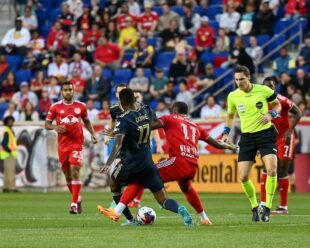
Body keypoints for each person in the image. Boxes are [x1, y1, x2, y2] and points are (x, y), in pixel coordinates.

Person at [123, 101, 237, 225]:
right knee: (186, 188)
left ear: (174, 111)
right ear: (186, 112)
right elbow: (217, 143)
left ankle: (118, 211)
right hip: (193, 165)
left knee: (144, 175)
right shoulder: (196, 126)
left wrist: (130, 125)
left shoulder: (170, 118)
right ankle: (204, 218)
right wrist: (230, 146)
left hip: (178, 161)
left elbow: (149, 126)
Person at [97, 89, 193, 226]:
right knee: (163, 199)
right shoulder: (146, 110)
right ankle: (180, 209)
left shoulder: (123, 119)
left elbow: (118, 143)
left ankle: (129, 219)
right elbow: (154, 123)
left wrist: (108, 162)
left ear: (122, 102)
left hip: (131, 163)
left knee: (113, 183)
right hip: (148, 163)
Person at [222, 65, 282, 222]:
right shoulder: (233, 96)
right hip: (247, 137)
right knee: (242, 176)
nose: (239, 82)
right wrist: (226, 133)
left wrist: (272, 114)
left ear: (249, 77)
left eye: (242, 79)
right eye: (236, 79)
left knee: (272, 170)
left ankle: (267, 207)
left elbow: (277, 104)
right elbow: (229, 115)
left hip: (265, 134)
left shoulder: (263, 90)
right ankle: (255, 207)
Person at [45, 81, 98, 214]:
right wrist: (55, 127)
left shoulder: (81, 106)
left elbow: (86, 121)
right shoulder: (55, 107)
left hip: (77, 144)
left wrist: (92, 134)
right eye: (66, 90)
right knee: (67, 175)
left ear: (73, 91)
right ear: (62, 92)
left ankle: (73, 204)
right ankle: (78, 198)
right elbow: (47, 124)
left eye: (70, 89)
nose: (68, 92)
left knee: (75, 170)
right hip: (62, 146)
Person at [260, 76, 302, 214]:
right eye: (266, 87)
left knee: (282, 170)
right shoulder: (259, 102)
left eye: (271, 87)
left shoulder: (282, 100)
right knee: (266, 168)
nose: (269, 89)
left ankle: (283, 207)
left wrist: (290, 131)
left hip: (284, 137)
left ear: (275, 88)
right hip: (269, 137)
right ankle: (263, 203)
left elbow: (298, 112)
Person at [0, 116, 18, 193]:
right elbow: (3, 143)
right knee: (10, 171)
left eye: (12, 121)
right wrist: (10, 151)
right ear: (6, 123)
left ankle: (6, 187)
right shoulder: (8, 131)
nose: (11, 122)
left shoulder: (9, 131)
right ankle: (11, 187)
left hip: (8, 154)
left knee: (8, 171)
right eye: (9, 121)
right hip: (9, 154)